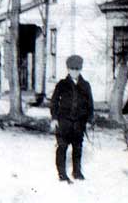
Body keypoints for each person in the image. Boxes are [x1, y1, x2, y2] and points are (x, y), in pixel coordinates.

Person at [50, 55, 94, 183]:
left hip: (79, 123)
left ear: (80, 69)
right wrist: (54, 118)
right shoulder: (62, 84)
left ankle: (77, 171)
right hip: (64, 122)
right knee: (62, 146)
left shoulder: (85, 85)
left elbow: (90, 104)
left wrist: (90, 120)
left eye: (77, 69)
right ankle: (62, 174)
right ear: (68, 69)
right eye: (72, 69)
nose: (75, 71)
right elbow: (54, 102)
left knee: (78, 147)